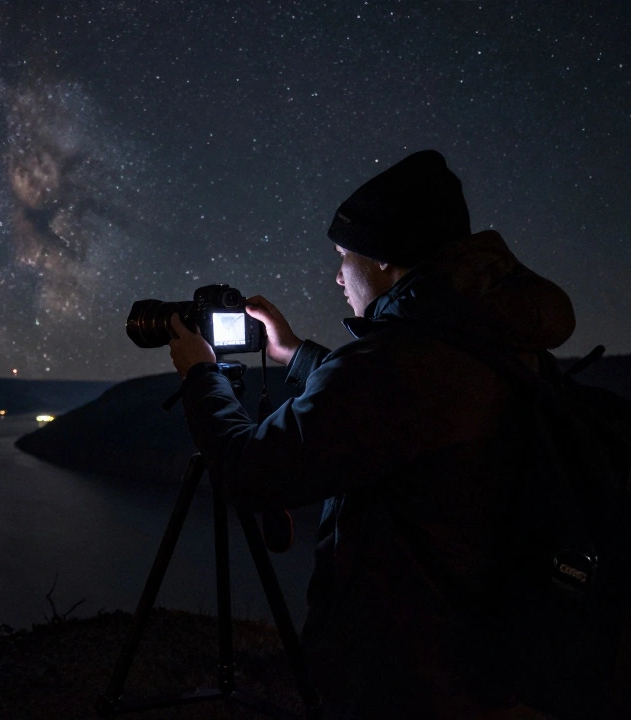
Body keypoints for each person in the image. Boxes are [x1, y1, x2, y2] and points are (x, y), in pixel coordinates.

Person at [167, 150, 575, 718]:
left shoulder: (394, 364)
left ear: (382, 259)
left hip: (403, 669)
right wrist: (296, 355)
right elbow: (400, 411)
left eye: (343, 256)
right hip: (482, 646)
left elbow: (249, 469)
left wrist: (200, 375)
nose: (337, 275)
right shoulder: (484, 336)